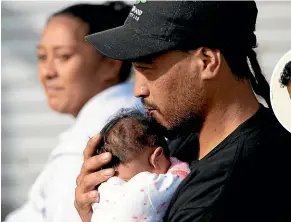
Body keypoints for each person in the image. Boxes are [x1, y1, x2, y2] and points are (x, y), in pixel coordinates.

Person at [75, 1, 291, 222]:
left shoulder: (222, 192)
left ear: (207, 62)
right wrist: (98, 209)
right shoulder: (185, 143)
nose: (139, 90)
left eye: (146, 68)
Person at [4, 2, 139, 222]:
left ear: (111, 64)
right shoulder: (133, 113)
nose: (48, 72)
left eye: (63, 56)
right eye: (41, 57)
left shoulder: (92, 144)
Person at [91, 108, 190, 222]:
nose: (128, 185)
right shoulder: (146, 186)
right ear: (157, 158)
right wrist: (173, 161)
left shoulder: (105, 189)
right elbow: (182, 175)